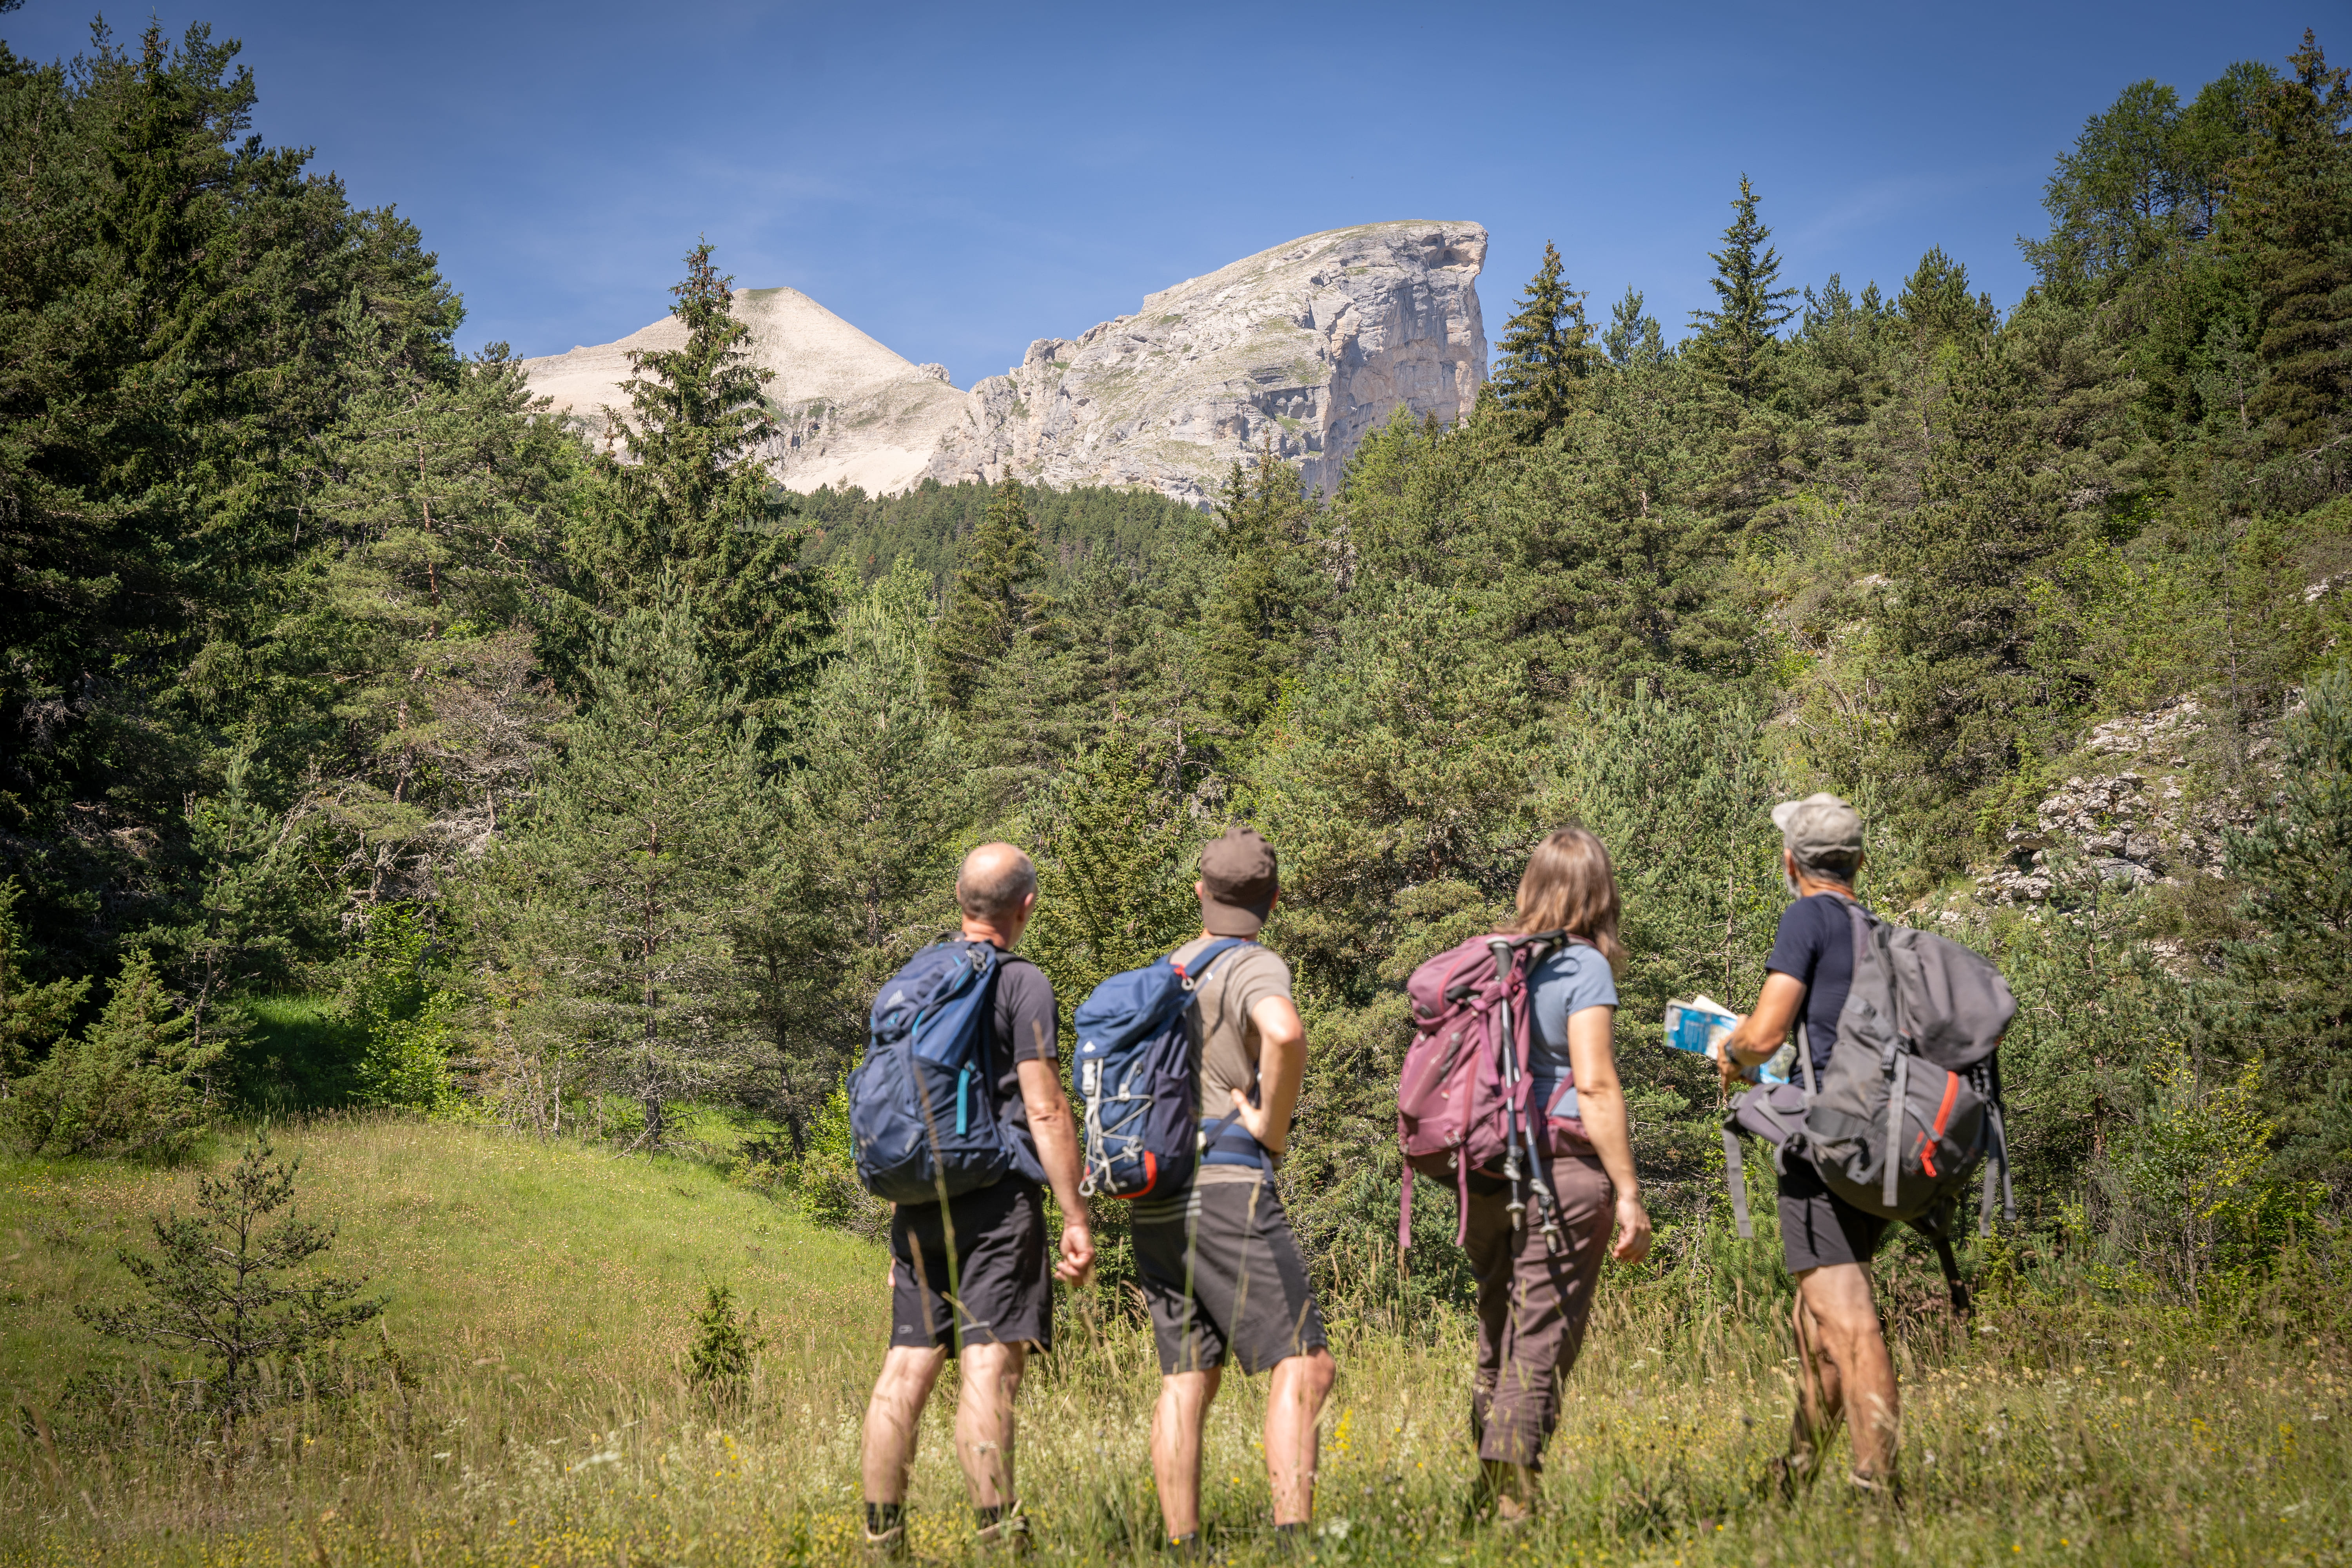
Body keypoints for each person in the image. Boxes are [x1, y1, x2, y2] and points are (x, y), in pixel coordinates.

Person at [859, 844, 1094, 1558]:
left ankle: (881, 1542)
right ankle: (999, 1540)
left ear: (961, 902)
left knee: (907, 1367)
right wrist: (1077, 1216)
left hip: (919, 1202)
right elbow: (1046, 1109)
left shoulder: (918, 977)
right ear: (1026, 907)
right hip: (997, 1203)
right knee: (988, 1366)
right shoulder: (1023, 984)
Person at [1134, 824, 1335, 1551]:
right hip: (1226, 1185)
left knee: (1188, 1375)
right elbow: (1283, 1033)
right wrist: (1270, 1129)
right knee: (1305, 1362)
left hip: (1157, 1192)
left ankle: (1183, 1547)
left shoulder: (1167, 969)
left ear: (1200, 893)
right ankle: (1293, 1544)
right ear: (1273, 901)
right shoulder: (1252, 966)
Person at [1713, 793, 1901, 1499]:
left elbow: (1764, 1036)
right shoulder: (1877, 931)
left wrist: (1731, 1052)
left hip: (1826, 1144)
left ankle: (1877, 1490)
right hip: (1880, 1143)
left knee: (1848, 1320)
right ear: (1859, 861)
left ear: (1792, 862)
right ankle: (1788, 1483)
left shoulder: (1807, 917)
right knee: (1814, 1325)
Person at [1464, 826, 1652, 1523]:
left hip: (1485, 1170)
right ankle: (1515, 1509)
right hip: (1561, 1173)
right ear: (1601, 894)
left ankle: (1487, 1497)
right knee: (1540, 1340)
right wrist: (1628, 1191)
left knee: (1499, 1335)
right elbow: (1596, 1085)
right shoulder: (1583, 968)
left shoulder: (1492, 959)